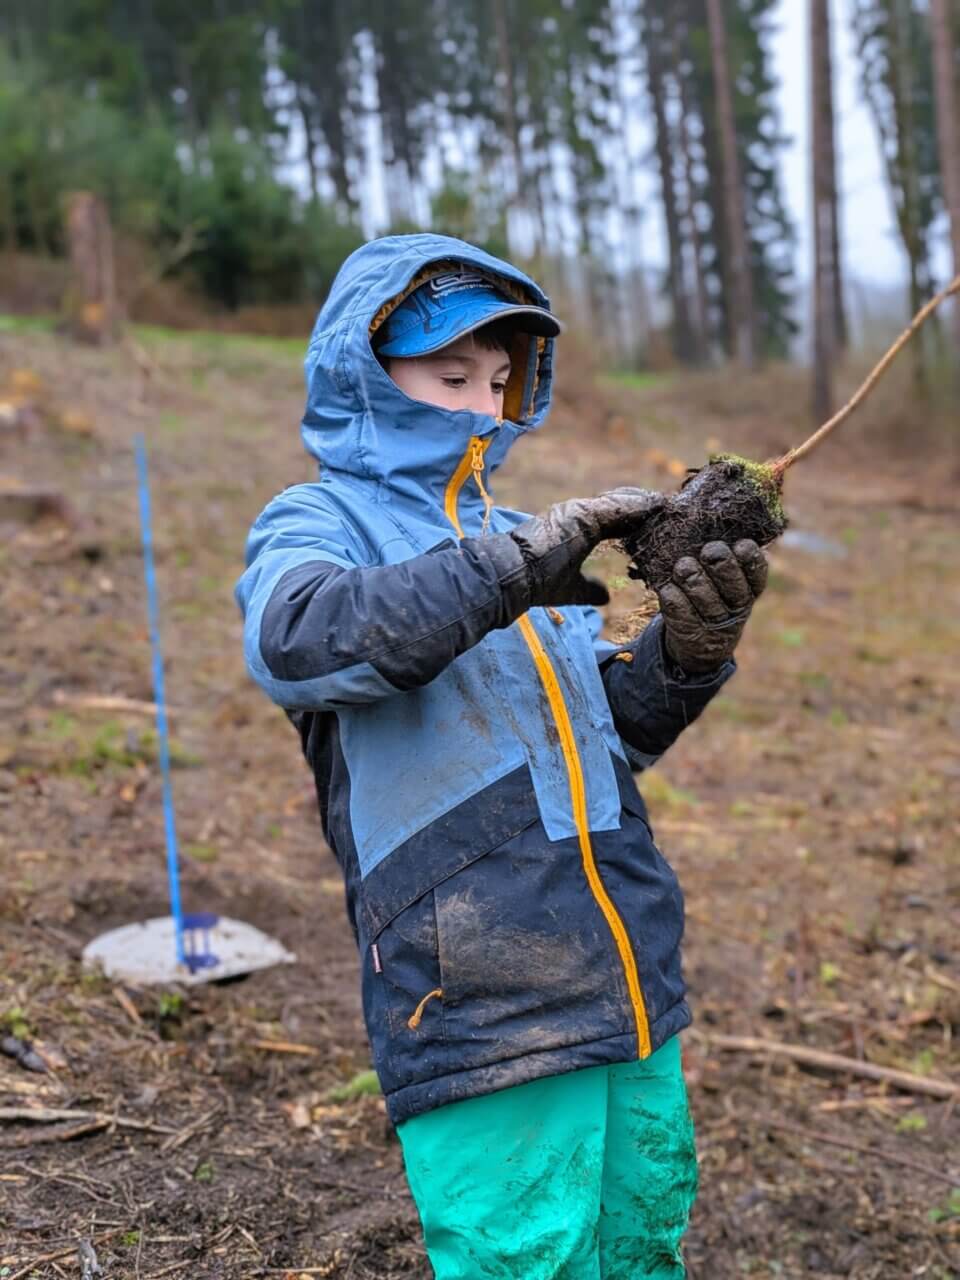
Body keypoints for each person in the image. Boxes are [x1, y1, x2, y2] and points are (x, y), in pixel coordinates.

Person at [235, 233, 767, 1279]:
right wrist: (506, 570)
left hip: (623, 969)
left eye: (497, 379)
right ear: (362, 371)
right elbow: (296, 639)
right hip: (474, 996)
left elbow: (607, 743)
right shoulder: (321, 522)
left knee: (639, 1238)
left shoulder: (524, 535)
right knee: (523, 1253)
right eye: (449, 375)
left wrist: (688, 653)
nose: (484, 406)